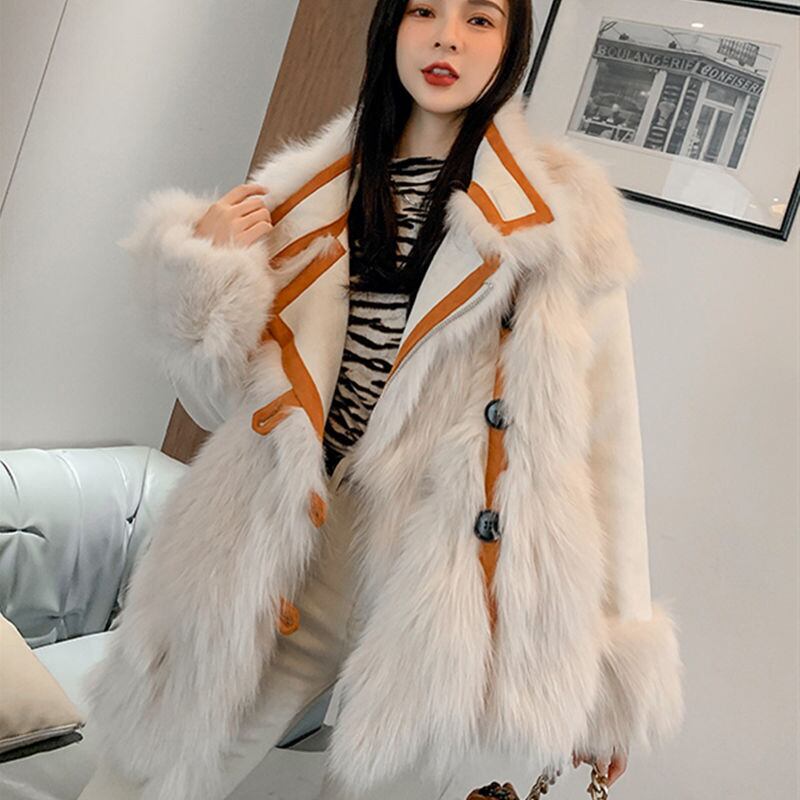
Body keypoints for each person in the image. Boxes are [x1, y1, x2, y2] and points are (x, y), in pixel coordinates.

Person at [79, 1, 685, 798]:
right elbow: (214, 407)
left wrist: (607, 674)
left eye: (480, 19)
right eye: (424, 10)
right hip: (293, 533)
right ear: (391, 26)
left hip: (442, 569)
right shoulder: (297, 196)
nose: (446, 37)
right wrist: (210, 275)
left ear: (511, 45)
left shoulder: (564, 218)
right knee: (144, 782)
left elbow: (606, 442)